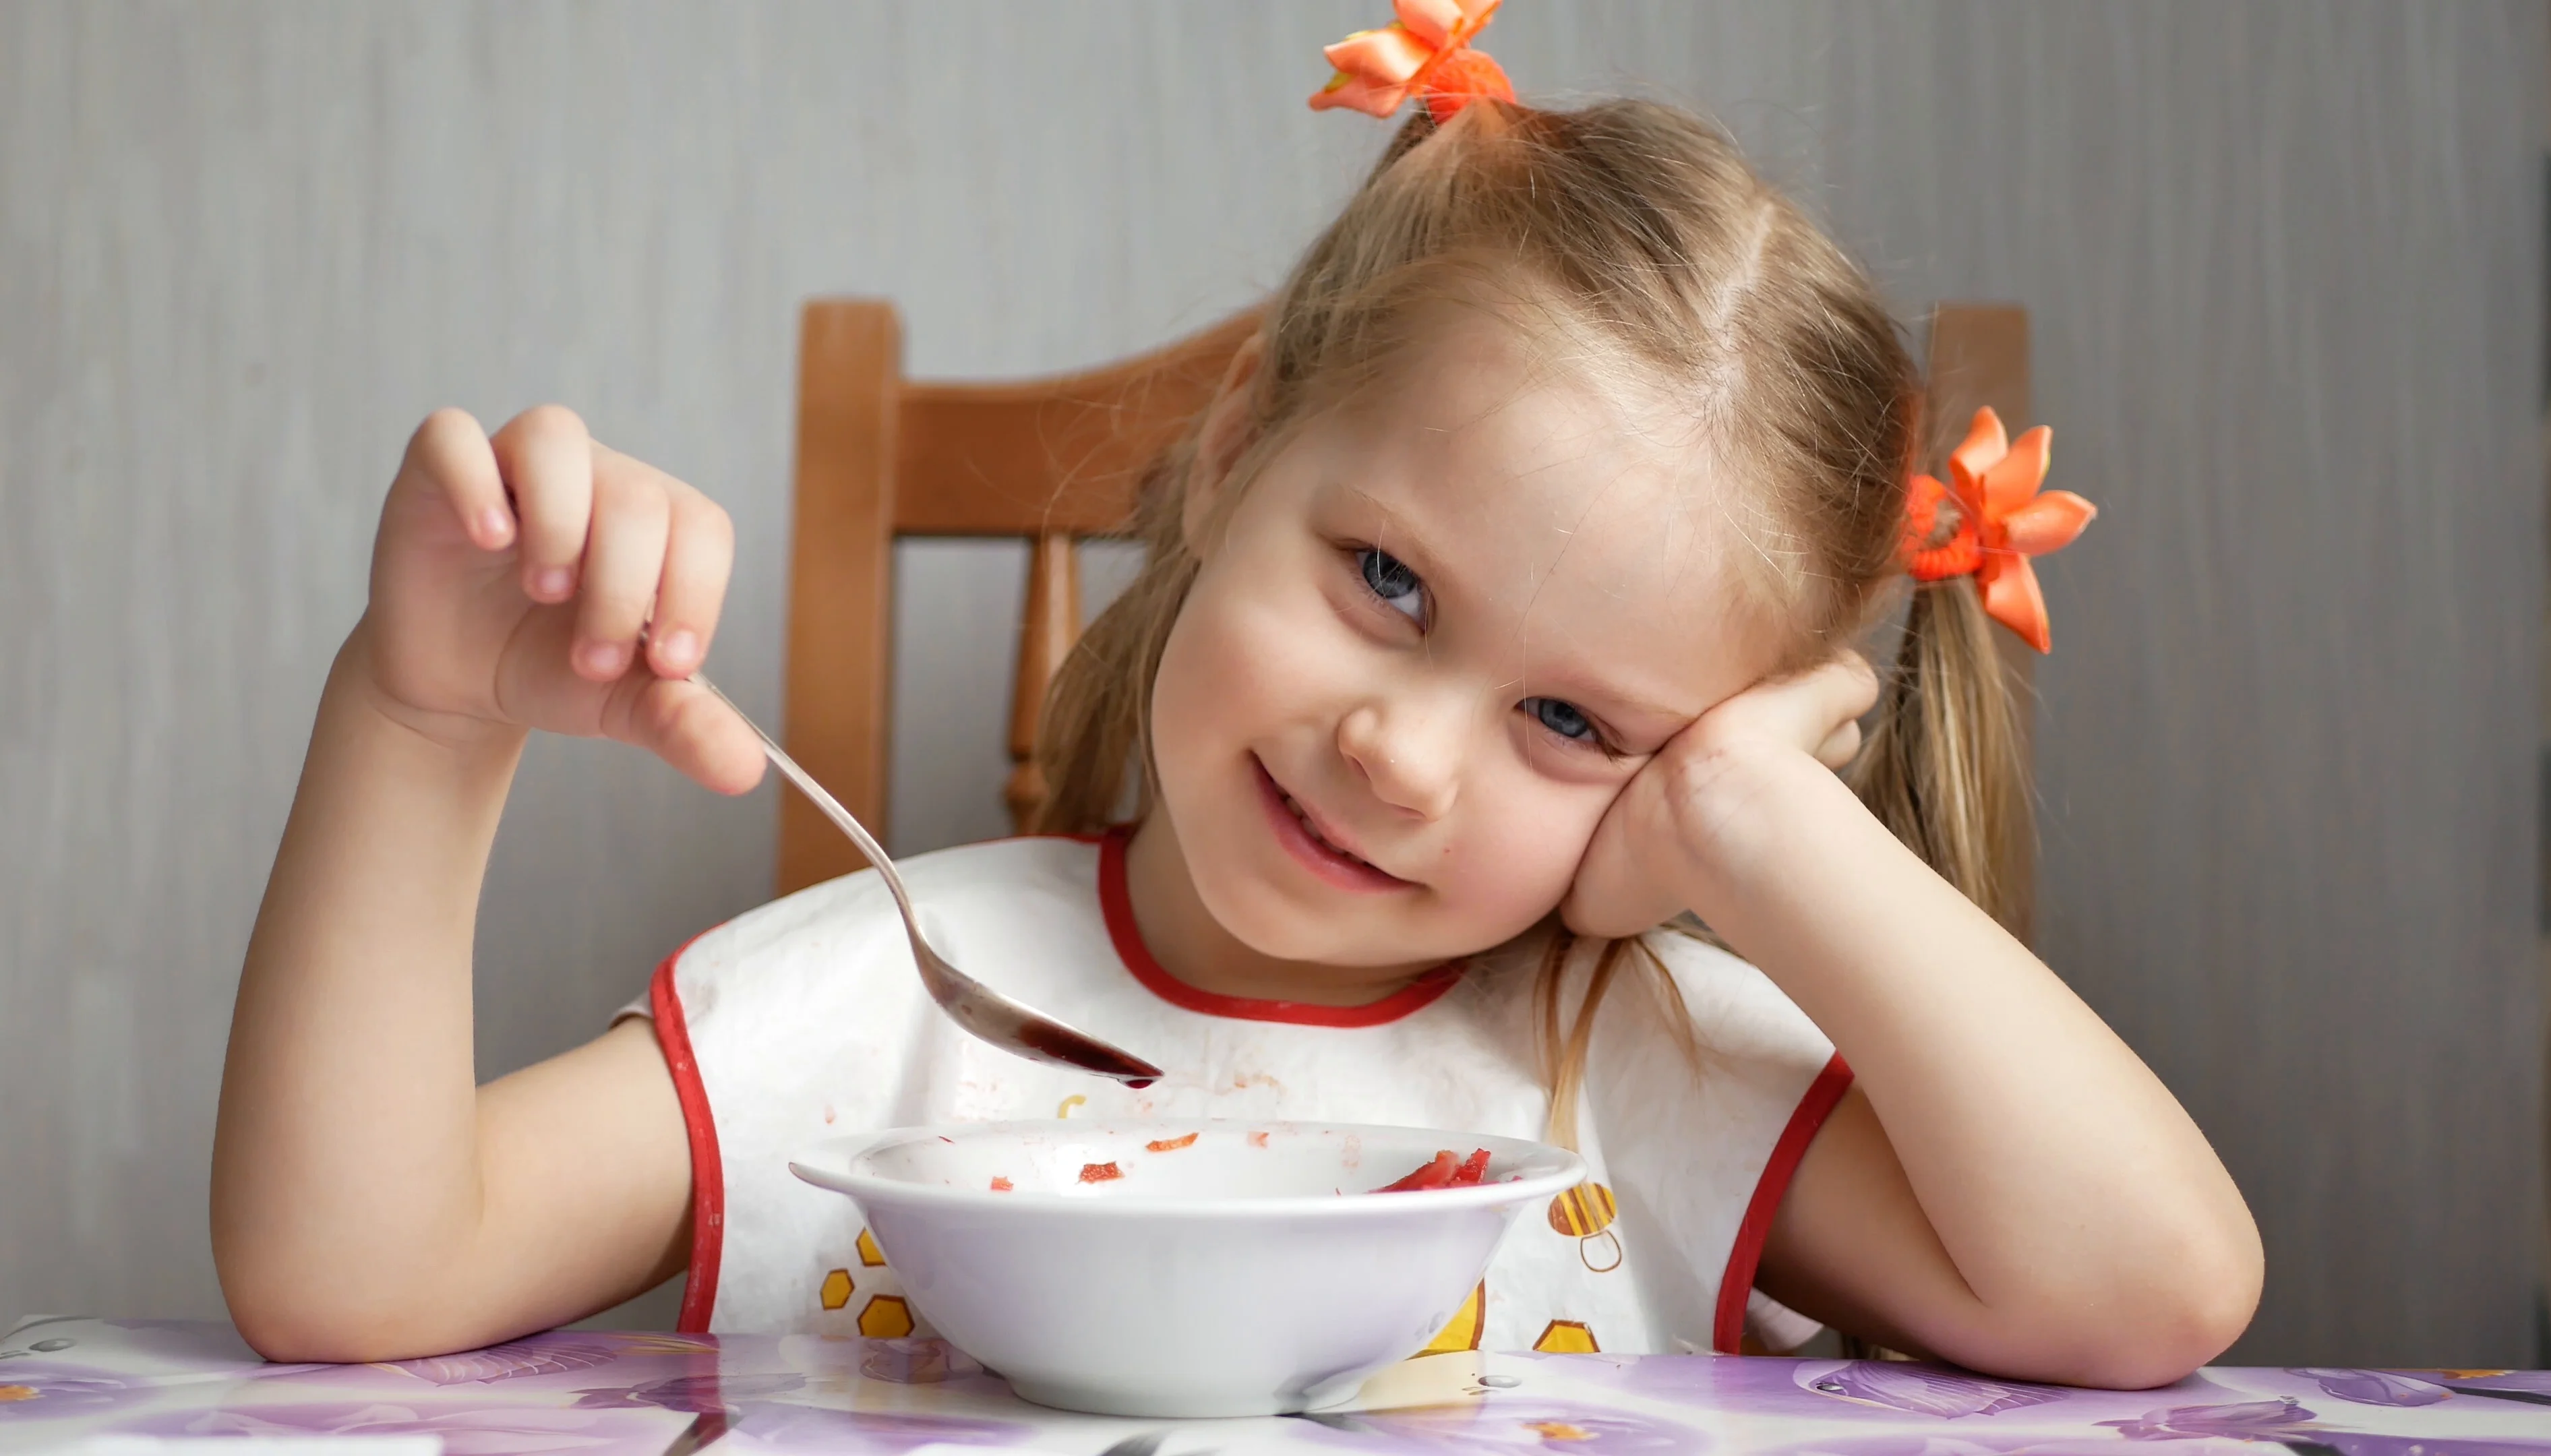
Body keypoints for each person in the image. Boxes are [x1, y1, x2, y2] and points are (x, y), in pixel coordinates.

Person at [211, 0, 2260, 1387]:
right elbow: (352, 1277)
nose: (1400, 747)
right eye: (1385, 581)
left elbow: (2155, 1292)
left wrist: (1759, 821)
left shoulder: (1636, 1072)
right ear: (1236, 450)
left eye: (1579, 725)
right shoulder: (874, 1008)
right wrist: (422, 721)